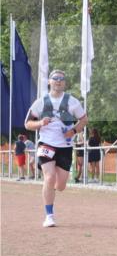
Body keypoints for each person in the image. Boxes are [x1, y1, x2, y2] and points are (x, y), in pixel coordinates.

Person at [24, 69, 89, 227]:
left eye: (61, 79)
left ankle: (50, 189)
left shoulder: (72, 101)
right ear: (49, 82)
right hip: (46, 143)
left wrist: (72, 131)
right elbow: (27, 124)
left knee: (60, 186)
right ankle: (49, 216)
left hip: (65, 146)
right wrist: (40, 123)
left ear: (64, 83)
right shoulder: (40, 102)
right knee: (49, 177)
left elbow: (83, 120)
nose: (58, 81)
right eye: (55, 78)